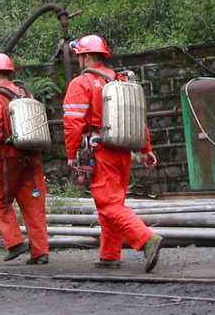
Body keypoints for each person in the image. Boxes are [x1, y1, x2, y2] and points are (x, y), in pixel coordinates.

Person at [61, 35, 165, 272]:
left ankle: (146, 239)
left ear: (86, 56)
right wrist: (146, 149)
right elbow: (137, 117)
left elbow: (73, 122)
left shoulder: (82, 83)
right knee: (112, 202)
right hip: (123, 151)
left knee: (107, 203)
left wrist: (71, 154)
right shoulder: (120, 80)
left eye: (79, 56)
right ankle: (110, 255)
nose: (78, 60)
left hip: (102, 151)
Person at [0, 53, 51, 264]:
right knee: (34, 204)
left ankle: (14, 243)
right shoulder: (25, 93)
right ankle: (41, 251)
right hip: (31, 157)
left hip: (7, 157)